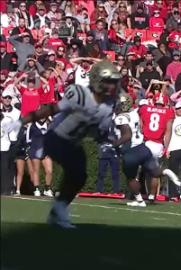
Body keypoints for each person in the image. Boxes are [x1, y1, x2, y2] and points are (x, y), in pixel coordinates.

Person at [3, 61, 123, 228]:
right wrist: (22, 120)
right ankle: (59, 210)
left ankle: (57, 211)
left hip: (73, 142)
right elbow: (50, 110)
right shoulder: (80, 94)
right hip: (56, 137)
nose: (113, 86)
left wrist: (106, 142)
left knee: (80, 177)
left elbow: (99, 130)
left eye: (114, 82)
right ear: (97, 81)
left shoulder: (109, 104)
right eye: (109, 81)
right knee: (75, 170)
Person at [115, 94, 181, 208]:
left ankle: (140, 200)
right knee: (154, 172)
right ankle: (166, 172)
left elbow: (127, 135)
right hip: (143, 147)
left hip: (132, 150)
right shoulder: (135, 114)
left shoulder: (123, 117)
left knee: (131, 177)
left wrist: (114, 145)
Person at [138, 97, 175, 202]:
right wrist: (166, 147)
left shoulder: (145, 109)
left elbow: (140, 125)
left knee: (140, 169)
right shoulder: (168, 112)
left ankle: (136, 193)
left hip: (146, 142)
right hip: (157, 144)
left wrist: (143, 130)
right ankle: (152, 195)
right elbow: (168, 132)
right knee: (155, 172)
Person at [26, 117, 53, 197]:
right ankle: (36, 189)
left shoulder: (49, 126)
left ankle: (47, 189)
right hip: (35, 151)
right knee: (36, 170)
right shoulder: (32, 126)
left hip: (46, 152)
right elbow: (28, 139)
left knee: (49, 171)